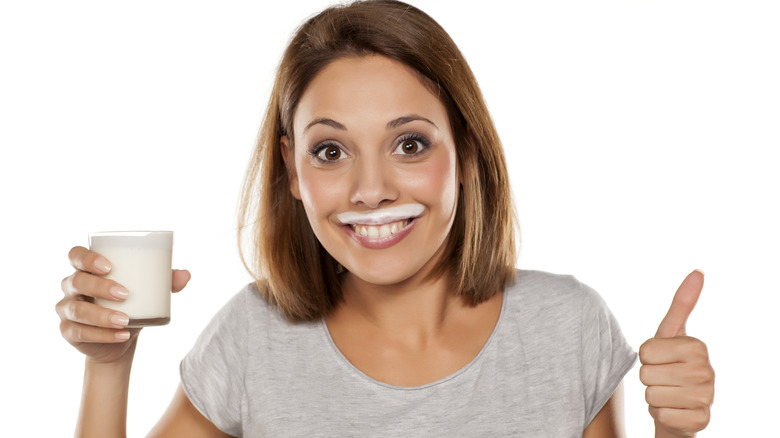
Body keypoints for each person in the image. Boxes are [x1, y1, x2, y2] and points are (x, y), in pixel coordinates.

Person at [56, 1, 714, 436]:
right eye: (331, 150)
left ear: (467, 152)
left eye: (409, 143)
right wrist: (108, 364)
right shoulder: (253, 339)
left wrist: (675, 435)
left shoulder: (566, 329)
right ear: (292, 168)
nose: (369, 190)